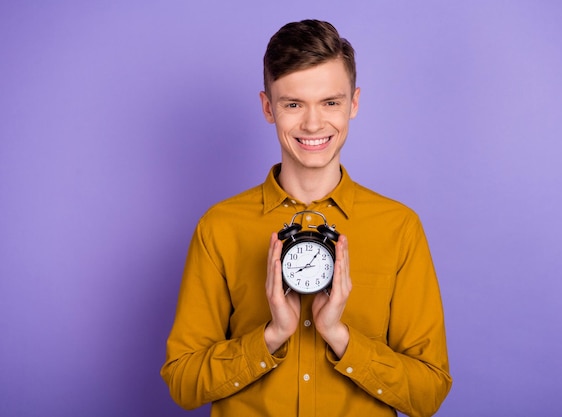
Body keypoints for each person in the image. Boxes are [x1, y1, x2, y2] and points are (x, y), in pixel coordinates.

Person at [161, 19, 452, 417]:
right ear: (268, 108)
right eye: (293, 104)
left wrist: (340, 337)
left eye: (330, 102)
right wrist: (271, 336)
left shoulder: (399, 228)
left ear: (354, 103)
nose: (313, 124)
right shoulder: (219, 227)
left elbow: (428, 392)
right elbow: (182, 382)